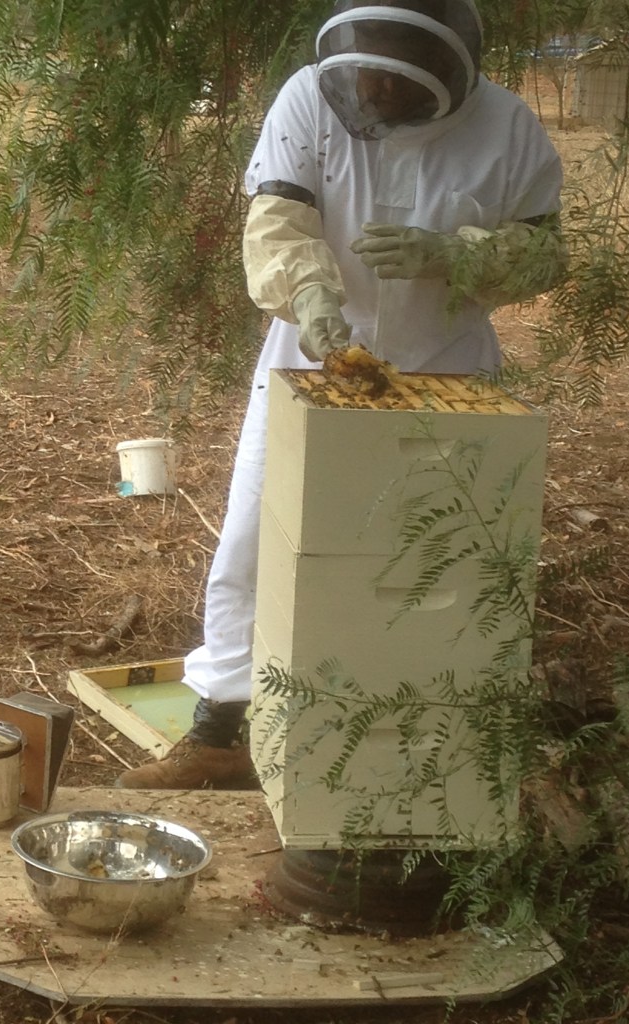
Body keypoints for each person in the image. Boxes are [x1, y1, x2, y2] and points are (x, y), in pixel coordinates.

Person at [117, 0, 566, 789]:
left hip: (450, 366)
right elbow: (279, 220)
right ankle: (220, 728)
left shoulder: (510, 129)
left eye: (397, 83)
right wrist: (315, 303)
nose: (377, 96)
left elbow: (543, 256)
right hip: (310, 356)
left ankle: (424, 742)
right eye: (368, 76)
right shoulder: (309, 98)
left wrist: (455, 256)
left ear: (446, 69)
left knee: (432, 561)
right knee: (256, 536)